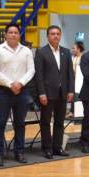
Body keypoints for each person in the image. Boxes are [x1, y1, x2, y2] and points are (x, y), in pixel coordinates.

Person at [0, 23, 35, 166]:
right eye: (10, 32)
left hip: (22, 91)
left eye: (16, 32)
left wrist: (20, 83)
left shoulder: (26, 51)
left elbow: (31, 70)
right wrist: (11, 84)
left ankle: (19, 152)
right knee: (0, 123)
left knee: (20, 123)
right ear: (5, 34)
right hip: (4, 91)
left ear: (19, 34)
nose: (13, 35)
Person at [34, 25, 75, 159]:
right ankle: (47, 148)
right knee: (46, 122)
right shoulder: (41, 52)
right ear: (48, 36)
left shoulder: (65, 52)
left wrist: (71, 90)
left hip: (62, 93)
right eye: (52, 34)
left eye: (58, 34)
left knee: (59, 122)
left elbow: (70, 73)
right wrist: (41, 93)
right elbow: (39, 75)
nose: (55, 36)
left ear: (60, 35)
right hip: (47, 93)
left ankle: (57, 147)